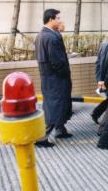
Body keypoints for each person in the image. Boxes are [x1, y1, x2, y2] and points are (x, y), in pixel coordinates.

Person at [34, 9, 73, 148]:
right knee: (55, 106)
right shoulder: (51, 37)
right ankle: (42, 137)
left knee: (57, 104)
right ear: (51, 19)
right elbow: (57, 62)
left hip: (48, 78)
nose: (60, 21)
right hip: (56, 79)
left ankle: (60, 129)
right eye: (58, 18)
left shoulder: (41, 35)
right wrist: (65, 74)